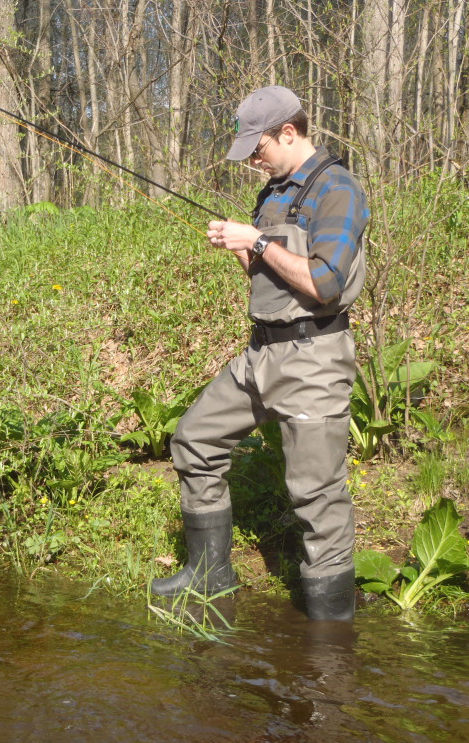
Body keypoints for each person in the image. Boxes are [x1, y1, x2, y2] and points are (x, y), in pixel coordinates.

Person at [150, 85, 370, 621]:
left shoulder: (338, 189)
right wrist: (240, 246)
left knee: (316, 497)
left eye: (258, 147)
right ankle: (212, 574)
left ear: (288, 132)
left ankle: (331, 627)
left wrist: (259, 242)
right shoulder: (273, 194)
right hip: (261, 354)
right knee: (194, 439)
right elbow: (269, 279)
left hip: (313, 357)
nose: (252, 159)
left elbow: (324, 283)